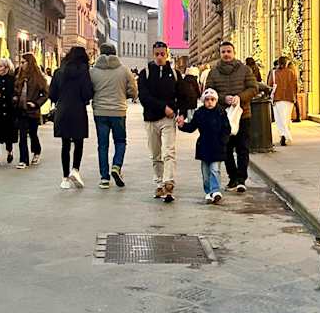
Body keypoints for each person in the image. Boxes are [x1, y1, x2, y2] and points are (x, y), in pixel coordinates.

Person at [205, 39, 257, 192]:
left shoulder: (245, 69)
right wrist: (223, 98)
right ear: (220, 54)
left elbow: (253, 88)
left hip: (243, 115)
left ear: (234, 53)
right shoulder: (213, 72)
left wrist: (240, 97)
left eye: (229, 51)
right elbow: (208, 92)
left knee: (243, 148)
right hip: (222, 116)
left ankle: (242, 179)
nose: (226, 54)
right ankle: (232, 178)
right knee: (225, 149)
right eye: (223, 52)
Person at [90, 42, 137, 187]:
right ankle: (116, 166)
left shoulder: (93, 71)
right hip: (118, 111)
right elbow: (134, 90)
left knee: (102, 145)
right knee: (120, 141)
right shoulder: (124, 70)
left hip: (100, 112)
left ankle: (104, 178)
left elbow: (88, 90)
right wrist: (125, 95)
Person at [137, 40, 180, 203]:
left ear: (167, 54)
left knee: (169, 151)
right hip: (150, 120)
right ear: (153, 54)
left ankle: (168, 182)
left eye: (163, 54)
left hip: (168, 120)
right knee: (156, 154)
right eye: (157, 54)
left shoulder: (174, 73)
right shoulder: (145, 73)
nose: (160, 57)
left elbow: (181, 94)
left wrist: (178, 111)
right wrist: (164, 107)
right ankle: (159, 182)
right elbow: (144, 97)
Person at [49, 46, 93, 189]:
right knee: (78, 142)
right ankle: (75, 169)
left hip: (62, 110)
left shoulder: (58, 72)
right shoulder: (84, 72)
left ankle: (64, 178)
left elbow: (52, 94)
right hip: (78, 110)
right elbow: (87, 93)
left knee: (65, 144)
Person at [178, 87, 231, 203]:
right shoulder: (199, 113)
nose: (210, 102)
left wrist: (223, 141)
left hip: (217, 146)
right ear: (203, 101)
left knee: (215, 169)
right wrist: (182, 126)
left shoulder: (221, 112)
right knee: (206, 173)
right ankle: (208, 191)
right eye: (207, 100)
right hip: (204, 146)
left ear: (216, 100)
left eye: (212, 99)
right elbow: (192, 127)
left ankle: (215, 190)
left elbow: (227, 129)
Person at [15, 52, 49, 168]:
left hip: (32, 110)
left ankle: (36, 151)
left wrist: (36, 103)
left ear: (29, 63)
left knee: (33, 134)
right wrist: (15, 98)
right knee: (23, 135)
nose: (21, 65)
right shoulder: (19, 76)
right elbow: (15, 90)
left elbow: (45, 94)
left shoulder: (38, 78)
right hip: (21, 110)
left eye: (23, 62)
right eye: (21, 62)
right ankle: (23, 160)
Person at [271, 56, 299, 146]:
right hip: (289, 98)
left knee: (279, 119)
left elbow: (270, 84)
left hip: (277, 97)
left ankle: (283, 134)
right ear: (286, 63)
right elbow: (295, 86)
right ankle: (286, 135)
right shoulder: (291, 72)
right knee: (286, 118)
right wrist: (295, 97)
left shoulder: (274, 73)